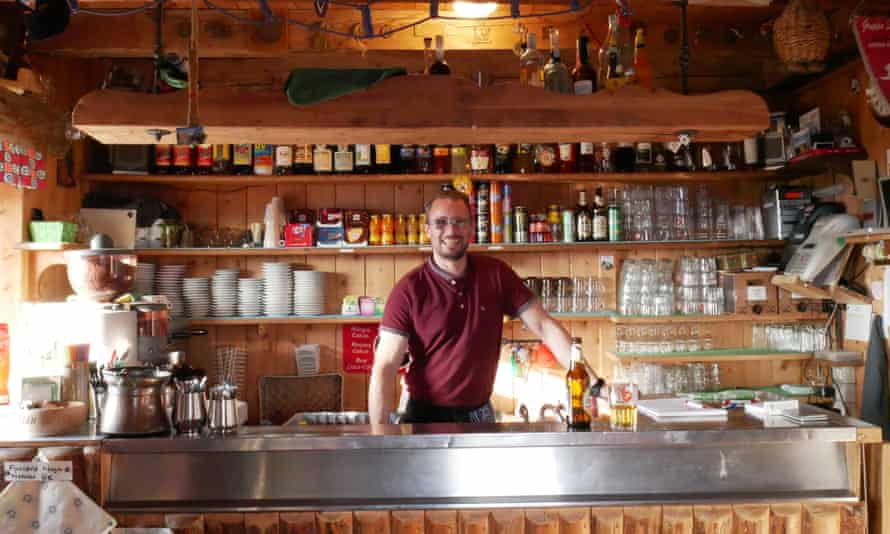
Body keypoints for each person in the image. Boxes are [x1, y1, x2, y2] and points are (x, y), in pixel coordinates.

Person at [368, 189, 602, 424]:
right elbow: (385, 366)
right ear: (427, 230)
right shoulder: (409, 290)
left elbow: (544, 326)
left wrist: (594, 384)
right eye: (441, 223)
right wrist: (378, 440)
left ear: (471, 228)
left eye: (459, 222)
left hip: (480, 415)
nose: (451, 231)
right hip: (425, 418)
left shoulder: (496, 274)